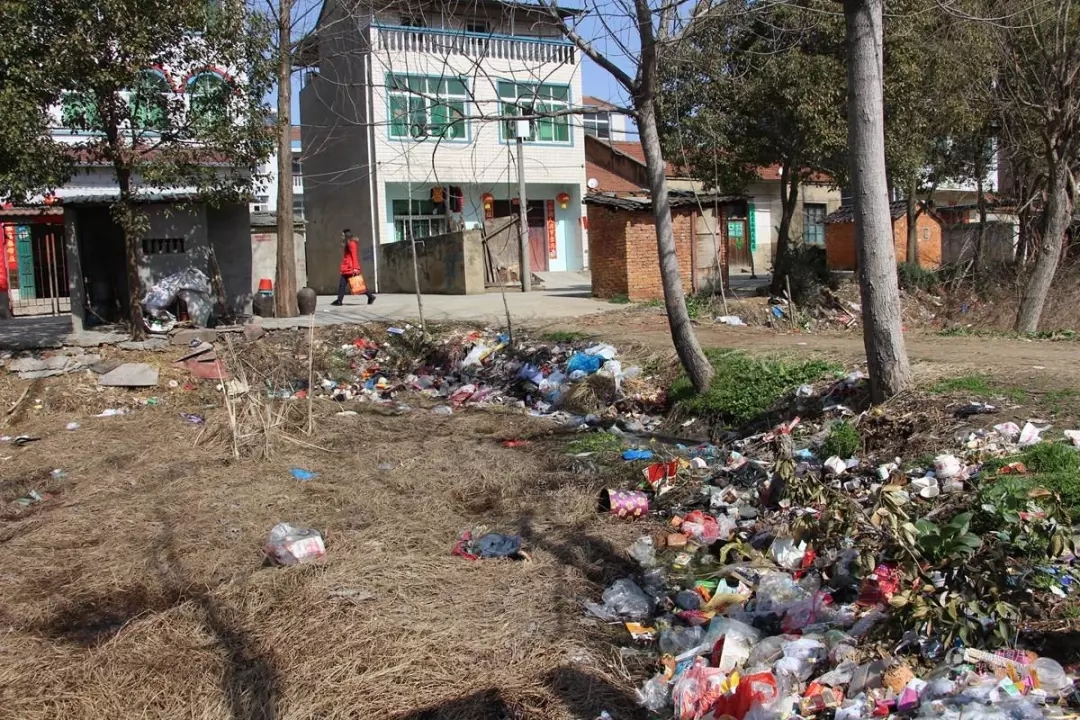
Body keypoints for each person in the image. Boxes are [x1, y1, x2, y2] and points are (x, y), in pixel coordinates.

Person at [331, 228, 375, 306]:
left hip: (350, 268)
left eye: (343, 235)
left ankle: (370, 296)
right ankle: (339, 301)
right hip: (347, 268)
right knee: (343, 284)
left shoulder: (352, 244)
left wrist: (355, 268)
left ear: (346, 235)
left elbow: (354, 256)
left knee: (357, 285)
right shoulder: (348, 243)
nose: (342, 237)